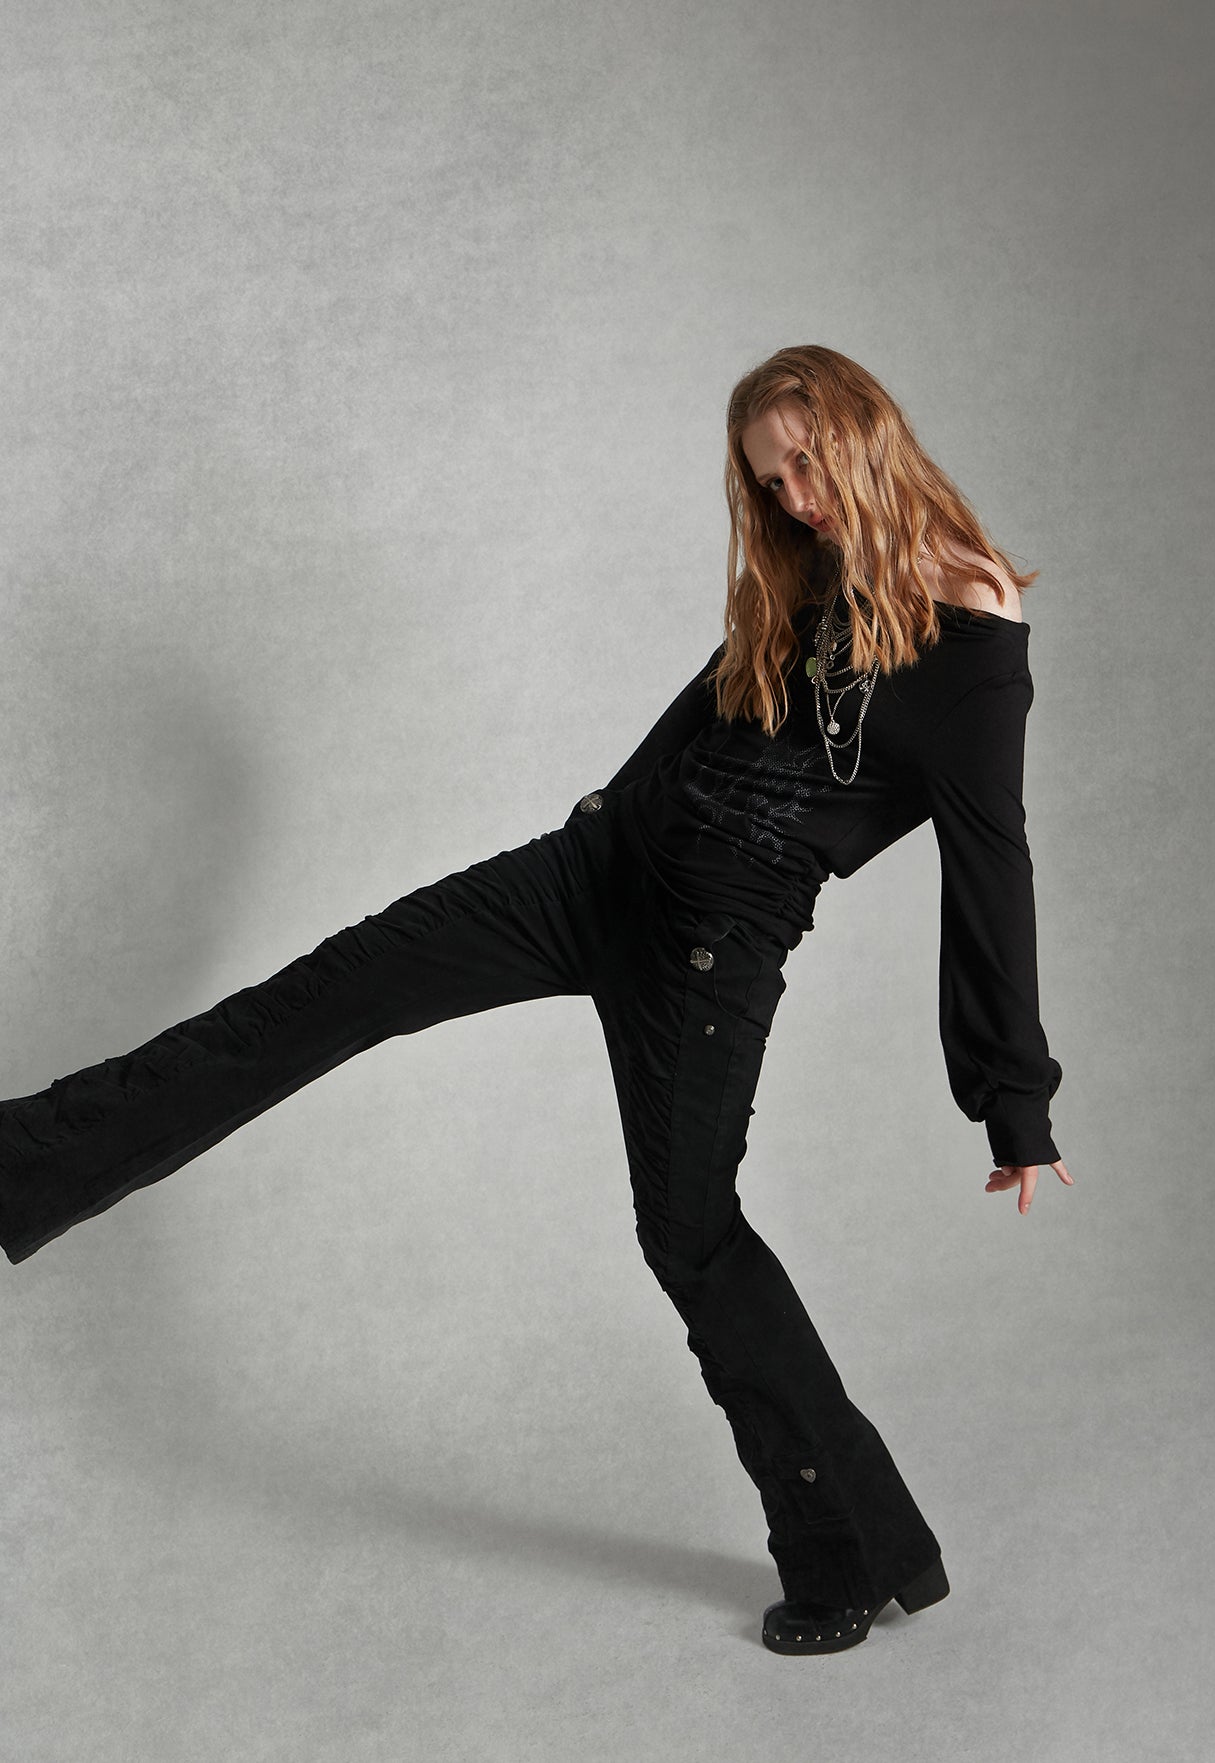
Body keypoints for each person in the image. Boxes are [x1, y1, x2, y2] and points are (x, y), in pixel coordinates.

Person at [0, 343, 1072, 1657]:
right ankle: (19, 1163)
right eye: (769, 481)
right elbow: (715, 710)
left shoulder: (971, 620)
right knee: (325, 994)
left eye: (805, 463)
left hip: (706, 956)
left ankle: (844, 1548)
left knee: (690, 1240)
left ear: (864, 429)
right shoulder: (804, 567)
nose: (795, 498)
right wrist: (607, 811)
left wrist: (1014, 1101)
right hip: (588, 876)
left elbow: (991, 863)